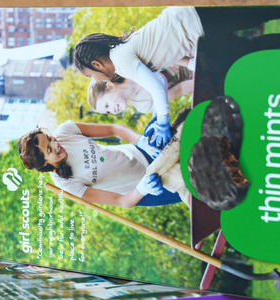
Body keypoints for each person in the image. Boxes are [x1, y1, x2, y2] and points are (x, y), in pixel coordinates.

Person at [73, 6, 203, 149]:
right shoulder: (121, 63)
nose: (95, 79)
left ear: (96, 65)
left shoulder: (121, 62)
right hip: (192, 39)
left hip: (188, 25)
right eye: (108, 111)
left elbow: (157, 86)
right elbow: (162, 64)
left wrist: (162, 122)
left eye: (90, 75)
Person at [17, 121, 188, 208]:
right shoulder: (65, 183)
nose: (55, 144)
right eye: (49, 150)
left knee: (191, 142)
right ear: (46, 164)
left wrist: (141, 141)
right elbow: (121, 201)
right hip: (145, 188)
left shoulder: (65, 131)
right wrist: (143, 189)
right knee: (194, 184)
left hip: (141, 153)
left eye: (49, 138)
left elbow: (115, 130)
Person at [87, 64, 193, 115]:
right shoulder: (144, 107)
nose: (112, 110)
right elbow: (180, 89)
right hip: (194, 77)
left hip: (189, 55)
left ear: (110, 86)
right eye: (108, 112)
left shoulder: (129, 67)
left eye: (107, 105)